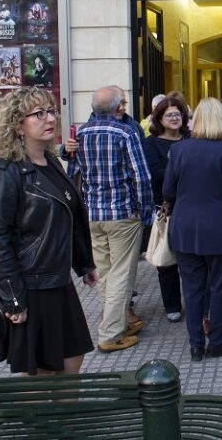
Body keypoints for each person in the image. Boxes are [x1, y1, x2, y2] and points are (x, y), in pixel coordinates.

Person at [0, 87, 98, 375]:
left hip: (57, 280)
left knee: (72, 360)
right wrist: (13, 297)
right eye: (39, 113)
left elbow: (70, 216)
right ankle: (40, 420)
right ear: (18, 124)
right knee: (40, 371)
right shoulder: (6, 172)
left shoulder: (51, 163)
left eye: (52, 111)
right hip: (30, 285)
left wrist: (83, 263)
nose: (50, 119)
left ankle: (66, 420)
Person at [66, 86, 153, 353]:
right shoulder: (125, 132)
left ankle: (114, 322)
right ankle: (110, 333)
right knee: (120, 274)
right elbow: (141, 176)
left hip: (93, 214)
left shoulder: (81, 134)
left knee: (104, 273)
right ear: (118, 108)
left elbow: (74, 174)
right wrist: (145, 210)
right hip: (122, 214)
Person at [163, 98, 222, 361]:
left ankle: (196, 345)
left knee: (192, 288)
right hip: (219, 227)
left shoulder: (179, 150)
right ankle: (218, 342)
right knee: (220, 287)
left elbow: (167, 191)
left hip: (185, 227)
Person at [141, 97, 188, 323]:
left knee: (190, 258)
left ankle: (194, 300)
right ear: (159, 117)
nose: (174, 118)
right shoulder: (150, 143)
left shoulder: (190, 138)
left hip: (190, 205)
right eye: (169, 114)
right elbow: (155, 174)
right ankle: (172, 305)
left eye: (178, 114)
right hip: (165, 207)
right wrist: (182, 167)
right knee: (166, 258)